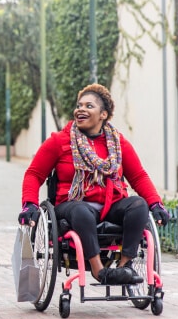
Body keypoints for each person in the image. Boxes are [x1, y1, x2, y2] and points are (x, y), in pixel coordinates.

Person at [18, 83, 169, 285]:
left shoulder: (118, 143)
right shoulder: (60, 141)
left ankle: (124, 267)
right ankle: (100, 271)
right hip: (72, 204)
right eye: (79, 105)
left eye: (89, 106)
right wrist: (30, 204)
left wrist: (155, 204)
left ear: (103, 115)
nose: (81, 109)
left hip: (110, 205)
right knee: (82, 211)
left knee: (138, 205)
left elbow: (139, 176)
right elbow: (34, 174)